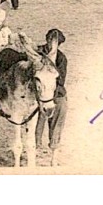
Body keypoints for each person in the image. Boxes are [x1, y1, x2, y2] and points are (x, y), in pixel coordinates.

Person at [35, 29, 68, 166]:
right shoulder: (38, 52)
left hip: (55, 93)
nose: (51, 43)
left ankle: (54, 150)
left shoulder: (61, 58)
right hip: (40, 92)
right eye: (49, 40)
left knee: (60, 110)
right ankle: (35, 147)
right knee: (37, 118)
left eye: (54, 42)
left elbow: (60, 80)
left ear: (59, 44)